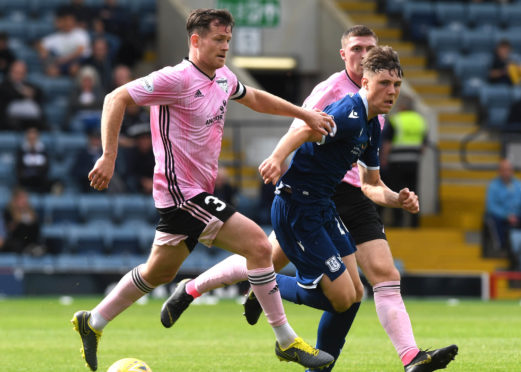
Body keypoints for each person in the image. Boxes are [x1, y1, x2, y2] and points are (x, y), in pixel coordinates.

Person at [162, 27, 458, 372]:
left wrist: (396, 198)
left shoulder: (375, 119)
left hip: (336, 198)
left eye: (370, 49)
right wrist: (276, 159)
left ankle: (405, 357)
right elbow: (303, 128)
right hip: (305, 198)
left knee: (365, 287)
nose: (364, 56)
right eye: (357, 49)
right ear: (345, 55)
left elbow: (371, 181)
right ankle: (217, 287)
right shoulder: (337, 99)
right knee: (280, 267)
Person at [70, 8, 336, 372]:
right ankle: (287, 341)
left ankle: (93, 321)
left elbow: (255, 97)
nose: (225, 46)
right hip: (181, 193)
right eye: (218, 39)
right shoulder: (174, 78)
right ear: (195, 40)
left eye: (228, 39)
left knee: (159, 273)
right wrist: (109, 156)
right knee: (259, 244)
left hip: (194, 192)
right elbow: (114, 98)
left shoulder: (223, 77)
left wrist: (304, 114)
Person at [380, 94, 428, 227]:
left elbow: (387, 143)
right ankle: (415, 223)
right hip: (414, 162)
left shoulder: (396, 120)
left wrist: (383, 160)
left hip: (396, 162)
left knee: (397, 192)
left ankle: (398, 222)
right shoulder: (420, 120)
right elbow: (424, 146)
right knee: (414, 191)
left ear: (401, 106)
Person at [484, 158, 521, 259]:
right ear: (499, 171)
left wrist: (515, 215)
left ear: (512, 171)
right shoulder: (493, 186)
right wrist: (506, 215)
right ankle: (501, 247)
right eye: (504, 170)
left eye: (508, 169)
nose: (506, 172)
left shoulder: (518, 185)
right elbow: (491, 206)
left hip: (517, 215)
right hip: (501, 216)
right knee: (492, 219)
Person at [37, 10, 91, 77]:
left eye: (70, 21)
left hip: (80, 61)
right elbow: (41, 44)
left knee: (74, 68)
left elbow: (80, 51)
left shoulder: (80, 33)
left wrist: (65, 59)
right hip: (62, 63)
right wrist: (43, 52)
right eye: (66, 21)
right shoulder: (57, 36)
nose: (68, 23)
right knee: (52, 71)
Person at [0, 60, 45, 131]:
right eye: (16, 72)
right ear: (10, 72)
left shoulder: (28, 86)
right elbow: (7, 94)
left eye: (21, 73)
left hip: (30, 120)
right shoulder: (4, 85)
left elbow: (39, 92)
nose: (18, 76)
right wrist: (21, 93)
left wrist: (31, 93)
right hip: (10, 121)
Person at [3, 187, 43, 256]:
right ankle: (29, 249)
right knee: (22, 228)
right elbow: (9, 229)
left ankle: (33, 248)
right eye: (22, 198)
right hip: (17, 240)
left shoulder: (31, 212)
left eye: (25, 198)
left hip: (30, 239)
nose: (24, 201)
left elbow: (36, 227)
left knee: (33, 227)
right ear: (15, 200)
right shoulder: (8, 212)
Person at [16, 127, 52, 193]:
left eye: (34, 137)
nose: (32, 139)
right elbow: (19, 168)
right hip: (25, 180)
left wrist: (35, 171)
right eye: (30, 138)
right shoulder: (21, 151)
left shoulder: (43, 151)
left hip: (40, 180)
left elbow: (46, 167)